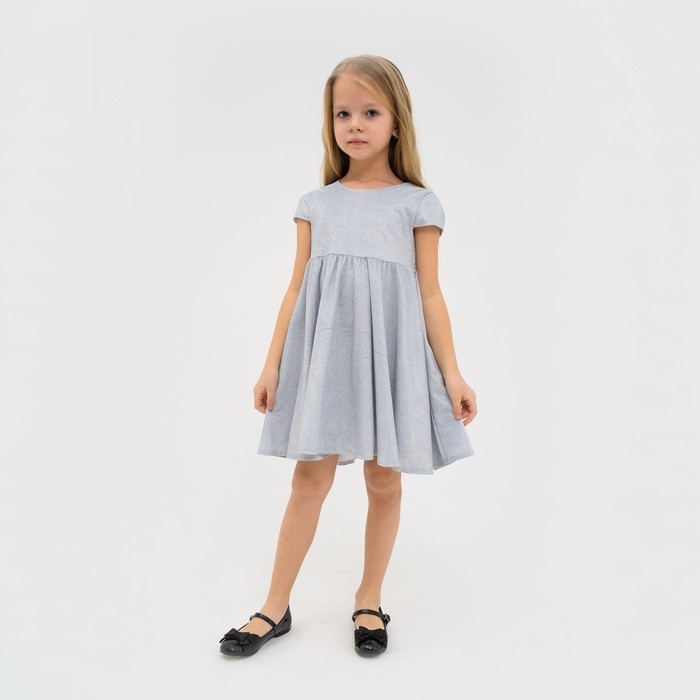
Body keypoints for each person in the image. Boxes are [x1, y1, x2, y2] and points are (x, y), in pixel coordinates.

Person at [219, 54, 477, 658]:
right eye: (342, 113)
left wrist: (453, 373)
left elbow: (430, 294)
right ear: (329, 122)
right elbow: (295, 289)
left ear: (396, 121)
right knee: (309, 478)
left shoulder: (417, 203)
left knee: (383, 478)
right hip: (327, 357)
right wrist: (271, 363)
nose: (355, 124)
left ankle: (369, 597)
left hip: (389, 357)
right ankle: (274, 606)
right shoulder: (317, 203)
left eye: (370, 112)